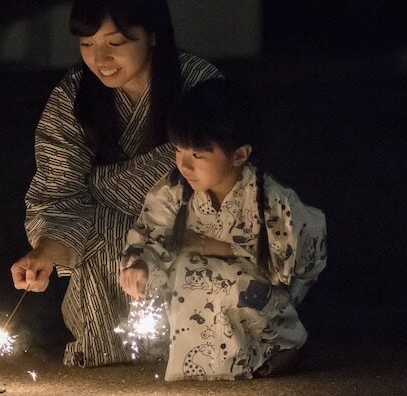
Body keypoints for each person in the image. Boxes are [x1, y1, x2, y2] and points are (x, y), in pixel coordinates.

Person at [10, 0, 221, 367]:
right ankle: (109, 344)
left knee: (122, 227)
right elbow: (58, 189)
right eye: (87, 44)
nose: (100, 58)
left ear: (153, 35)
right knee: (109, 234)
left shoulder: (199, 84)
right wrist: (44, 253)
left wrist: (100, 188)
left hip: (190, 234)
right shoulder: (73, 97)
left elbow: (220, 172)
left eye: (116, 43)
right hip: (102, 246)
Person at [117, 79, 327, 380]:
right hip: (194, 286)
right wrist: (139, 265)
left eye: (198, 156)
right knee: (182, 274)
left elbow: (284, 265)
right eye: (179, 151)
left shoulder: (268, 199)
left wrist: (221, 248)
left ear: (239, 155)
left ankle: (284, 344)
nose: (184, 165)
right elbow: (151, 233)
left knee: (231, 283)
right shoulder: (174, 190)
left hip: (253, 292)